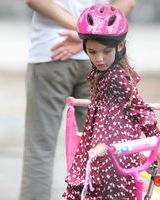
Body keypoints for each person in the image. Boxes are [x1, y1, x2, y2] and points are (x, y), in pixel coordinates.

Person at [61, 4, 160, 199]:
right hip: (103, 149)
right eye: (92, 52)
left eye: (106, 51)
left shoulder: (115, 77)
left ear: (120, 45)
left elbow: (142, 113)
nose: (99, 58)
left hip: (112, 157)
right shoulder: (104, 71)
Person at [19, 1, 136, 200]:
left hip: (50, 50)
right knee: (100, 149)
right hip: (99, 56)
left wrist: (83, 31)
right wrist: (91, 35)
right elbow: (129, 2)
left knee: (40, 149)